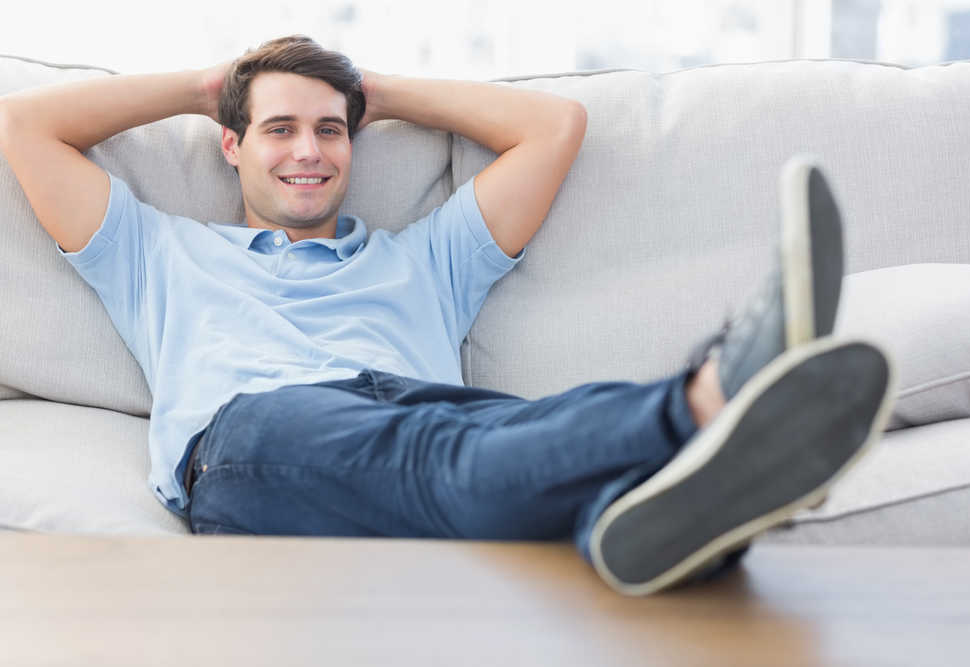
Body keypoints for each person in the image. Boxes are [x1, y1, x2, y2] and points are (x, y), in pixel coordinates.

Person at [0, 35, 892, 595]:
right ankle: (714, 397)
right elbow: (22, 125)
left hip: (428, 416)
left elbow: (555, 125)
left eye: (331, 128)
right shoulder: (159, 253)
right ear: (231, 145)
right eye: (279, 129)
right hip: (256, 436)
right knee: (443, 454)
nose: (309, 149)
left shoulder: (425, 258)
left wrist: (377, 90)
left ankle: (655, 523)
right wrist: (211, 83)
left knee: (532, 425)